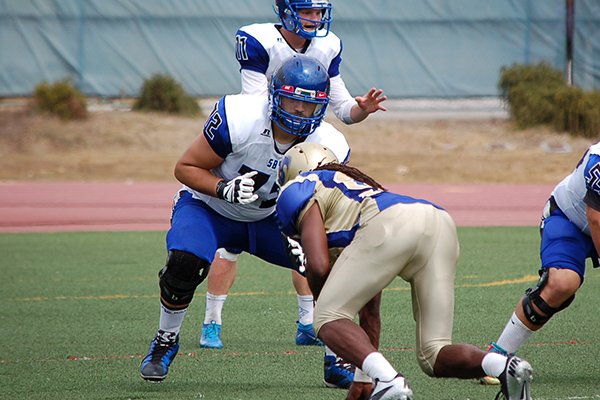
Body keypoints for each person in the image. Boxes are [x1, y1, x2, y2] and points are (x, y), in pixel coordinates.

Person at [200, 0, 385, 389]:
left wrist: (362, 109)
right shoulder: (259, 40)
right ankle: (211, 322)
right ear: (285, 10)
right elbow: (257, 103)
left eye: (320, 13)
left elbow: (343, 108)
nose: (315, 20)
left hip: (303, 143)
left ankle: (309, 322)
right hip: (260, 140)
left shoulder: (329, 45)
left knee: (310, 241)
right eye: (308, 11)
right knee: (230, 240)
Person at [139, 54, 350, 382]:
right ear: (275, 95)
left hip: (270, 219)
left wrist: (312, 240)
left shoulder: (330, 143)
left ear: (321, 107)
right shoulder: (240, 117)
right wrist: (223, 188)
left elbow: (326, 205)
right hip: (209, 208)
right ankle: (165, 340)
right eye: (293, 101)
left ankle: (336, 359)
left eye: (308, 105)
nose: (298, 111)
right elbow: (184, 168)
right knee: (184, 262)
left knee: (332, 265)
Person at [274, 142, 534, 400]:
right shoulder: (350, 197)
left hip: (391, 224)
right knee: (434, 353)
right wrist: (363, 377)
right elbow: (370, 311)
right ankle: (503, 367)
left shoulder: (297, 188)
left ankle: (388, 381)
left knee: (326, 316)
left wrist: (324, 302)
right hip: (437, 222)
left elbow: (318, 267)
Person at [481, 141, 600, 386]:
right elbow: (596, 218)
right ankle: (499, 355)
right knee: (561, 284)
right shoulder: (598, 160)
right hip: (569, 220)